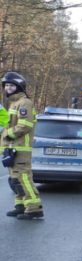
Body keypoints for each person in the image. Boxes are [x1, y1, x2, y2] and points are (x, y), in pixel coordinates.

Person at [2, 71, 41, 220]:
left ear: (19, 86)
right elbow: (7, 124)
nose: (8, 88)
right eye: (6, 85)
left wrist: (8, 134)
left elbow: (24, 125)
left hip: (20, 149)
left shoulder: (25, 103)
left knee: (24, 179)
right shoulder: (14, 104)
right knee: (15, 180)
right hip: (12, 148)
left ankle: (34, 209)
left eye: (11, 85)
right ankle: (20, 206)